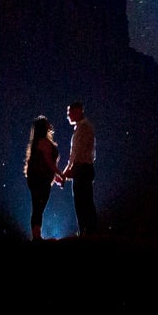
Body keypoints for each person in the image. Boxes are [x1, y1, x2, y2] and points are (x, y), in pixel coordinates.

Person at [57, 100, 98, 236]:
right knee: (83, 202)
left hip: (83, 168)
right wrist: (65, 174)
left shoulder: (84, 128)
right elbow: (74, 157)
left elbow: (78, 155)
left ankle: (88, 232)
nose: (68, 116)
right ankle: (87, 231)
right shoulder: (81, 128)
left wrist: (66, 173)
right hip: (82, 168)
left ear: (78, 111)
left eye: (70, 112)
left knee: (83, 202)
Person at [23, 116, 59, 241]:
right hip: (41, 179)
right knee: (38, 207)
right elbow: (49, 162)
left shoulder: (37, 142)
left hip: (38, 178)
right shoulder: (43, 141)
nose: (50, 124)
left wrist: (55, 176)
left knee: (37, 207)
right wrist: (60, 174)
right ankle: (37, 236)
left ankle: (36, 235)